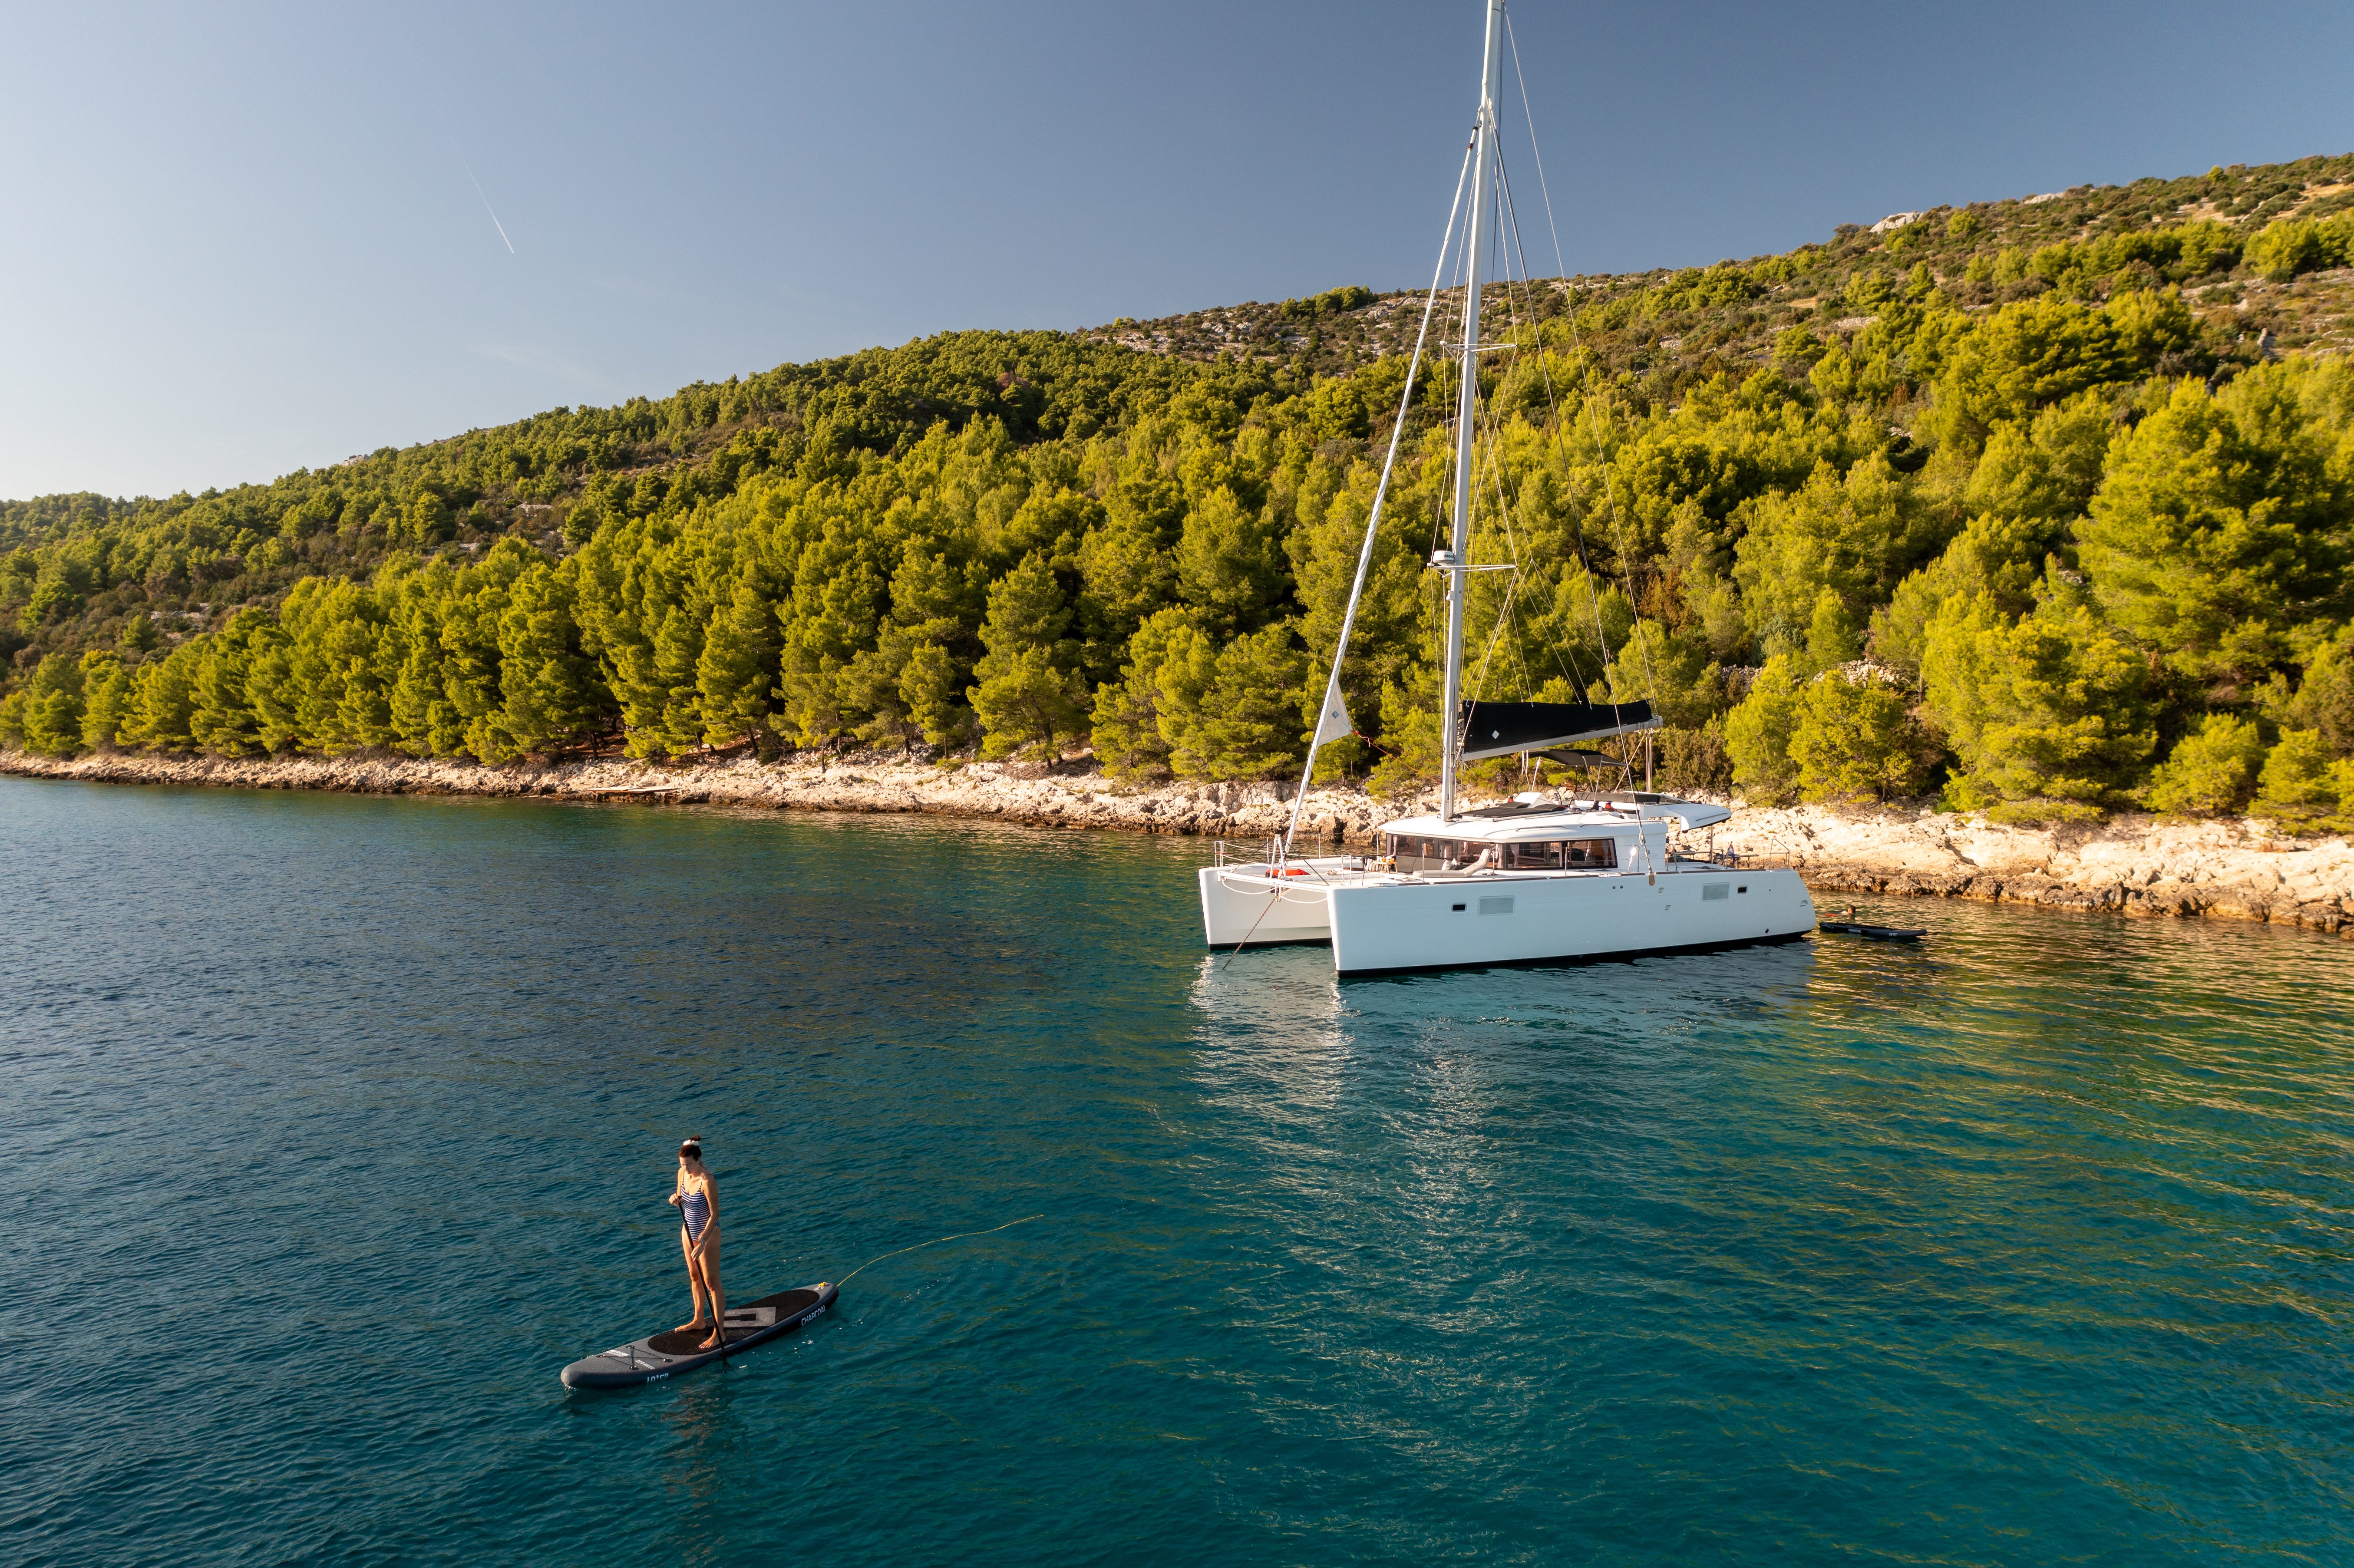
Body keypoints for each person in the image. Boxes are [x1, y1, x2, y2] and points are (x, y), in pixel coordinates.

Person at [667, 1138, 725, 1350]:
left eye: (689, 1164)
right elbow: (682, 1197)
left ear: (699, 1160)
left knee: (711, 1282)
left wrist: (702, 1240)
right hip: (687, 1230)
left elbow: (715, 1214)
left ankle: (720, 1333)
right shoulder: (682, 1173)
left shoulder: (707, 1180)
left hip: (708, 1233)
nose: (686, 1169)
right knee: (694, 1277)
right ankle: (699, 1320)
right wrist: (676, 1199)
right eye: (682, 1164)